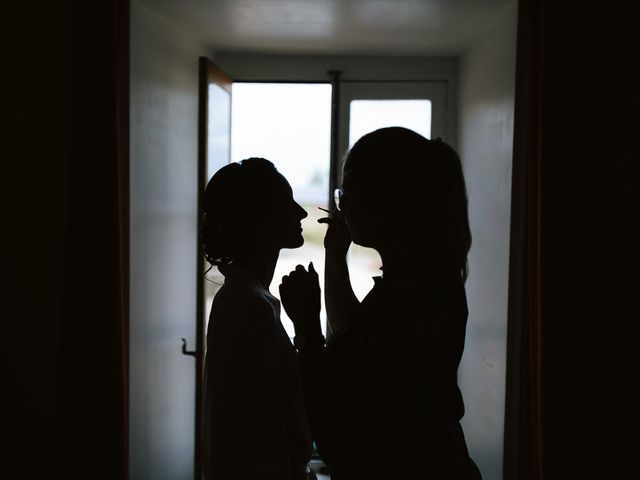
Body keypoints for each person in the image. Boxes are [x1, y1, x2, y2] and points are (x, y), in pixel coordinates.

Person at [279, 127, 482, 479]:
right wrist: (334, 254)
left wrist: (308, 328)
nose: (342, 205)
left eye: (348, 191)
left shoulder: (411, 300)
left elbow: (336, 430)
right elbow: (352, 331)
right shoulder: (422, 283)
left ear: (387, 199)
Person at [200, 158, 317, 480]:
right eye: (286, 203)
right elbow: (256, 439)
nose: (302, 213)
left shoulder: (250, 300)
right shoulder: (246, 308)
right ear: (257, 218)